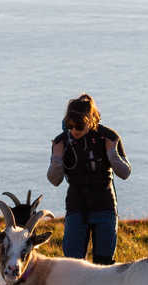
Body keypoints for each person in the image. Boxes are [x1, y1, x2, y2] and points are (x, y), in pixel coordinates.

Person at [47, 94, 131, 264]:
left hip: (104, 206)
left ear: (91, 122)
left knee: (104, 263)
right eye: (70, 127)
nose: (75, 132)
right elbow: (54, 180)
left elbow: (125, 173)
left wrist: (112, 154)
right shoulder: (62, 141)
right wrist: (57, 158)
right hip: (76, 206)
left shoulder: (108, 137)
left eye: (79, 127)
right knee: (73, 264)